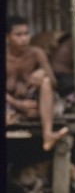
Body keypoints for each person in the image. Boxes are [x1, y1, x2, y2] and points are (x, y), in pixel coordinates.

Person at [6, 16, 69, 152]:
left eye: (26, 34)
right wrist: (18, 104)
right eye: (18, 35)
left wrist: (42, 72)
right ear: (7, 37)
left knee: (45, 81)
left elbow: (54, 82)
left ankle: (48, 135)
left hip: (32, 103)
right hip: (10, 102)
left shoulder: (36, 53)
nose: (24, 38)